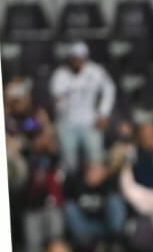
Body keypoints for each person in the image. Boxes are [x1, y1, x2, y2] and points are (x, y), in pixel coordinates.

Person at [49, 42, 116, 173]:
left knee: (96, 159)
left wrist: (103, 113)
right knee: (69, 162)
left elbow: (109, 89)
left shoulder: (96, 71)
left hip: (90, 122)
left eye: (81, 58)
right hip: (67, 123)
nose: (78, 62)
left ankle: (95, 189)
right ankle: (72, 188)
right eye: (75, 58)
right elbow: (58, 102)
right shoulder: (60, 75)